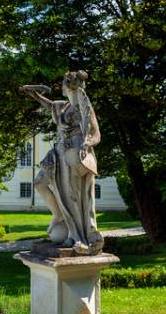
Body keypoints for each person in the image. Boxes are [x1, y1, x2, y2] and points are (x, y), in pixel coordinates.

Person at [21, 71, 104, 254]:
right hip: (58, 153)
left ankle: (77, 237)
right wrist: (34, 94)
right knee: (39, 183)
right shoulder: (62, 106)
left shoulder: (85, 108)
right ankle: (58, 215)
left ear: (71, 87)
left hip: (74, 154)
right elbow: (48, 104)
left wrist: (86, 143)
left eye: (65, 84)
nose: (63, 87)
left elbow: (96, 135)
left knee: (73, 197)